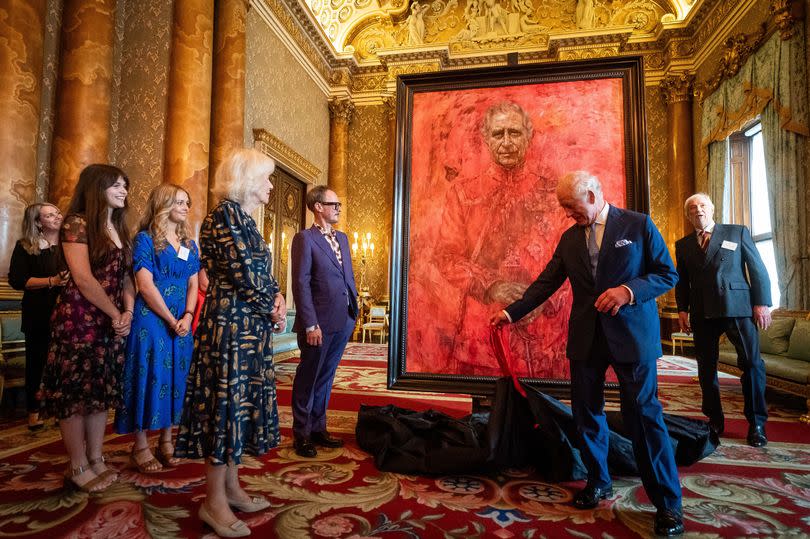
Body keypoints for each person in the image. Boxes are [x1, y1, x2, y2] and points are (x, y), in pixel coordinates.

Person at [490, 171, 684, 537]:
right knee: (586, 414)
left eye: (572, 207)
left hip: (632, 337)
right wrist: (510, 312)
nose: (568, 214)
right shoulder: (568, 240)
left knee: (644, 417)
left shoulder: (638, 224)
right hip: (586, 339)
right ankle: (598, 481)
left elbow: (666, 274)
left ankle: (668, 504)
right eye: (564, 207)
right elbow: (547, 282)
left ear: (593, 195)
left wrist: (628, 291)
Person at [175, 148, 286, 538]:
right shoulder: (223, 216)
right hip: (230, 328)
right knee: (224, 408)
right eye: (267, 178)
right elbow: (244, 274)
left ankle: (232, 487)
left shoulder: (246, 219)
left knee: (239, 408)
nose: (271, 185)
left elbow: (262, 275)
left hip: (248, 326)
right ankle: (213, 502)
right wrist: (271, 305)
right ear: (247, 180)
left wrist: (278, 298)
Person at [436, 101, 568, 378]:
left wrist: (544, 299)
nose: (506, 142)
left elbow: (573, 258)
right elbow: (446, 256)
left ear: (528, 136)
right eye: (498, 134)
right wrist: (491, 287)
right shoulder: (463, 193)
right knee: (485, 406)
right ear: (486, 138)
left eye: (514, 133)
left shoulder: (553, 191)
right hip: (481, 329)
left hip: (543, 332)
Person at [39, 164, 135, 493]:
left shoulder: (121, 229)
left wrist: (128, 311)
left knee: (98, 394)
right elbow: (82, 278)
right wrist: (114, 313)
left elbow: (126, 278)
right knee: (75, 395)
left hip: (111, 319)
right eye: (116, 185)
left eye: (125, 185)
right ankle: (77, 464)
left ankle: (96, 459)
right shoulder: (77, 223)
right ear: (97, 188)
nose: (124, 190)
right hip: (79, 318)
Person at [674, 193, 771, 447]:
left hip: (737, 307)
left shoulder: (737, 232)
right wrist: (681, 309)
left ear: (712, 209)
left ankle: (757, 423)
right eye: (692, 208)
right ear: (688, 215)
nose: (698, 210)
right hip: (702, 312)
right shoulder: (683, 245)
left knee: (751, 364)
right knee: (706, 369)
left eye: (703, 205)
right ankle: (714, 419)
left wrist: (761, 303)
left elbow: (757, 268)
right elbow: (682, 281)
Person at [114, 184, 200, 472]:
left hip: (182, 321)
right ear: (163, 204)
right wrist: (169, 318)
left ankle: (166, 441)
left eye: (187, 202)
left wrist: (187, 315)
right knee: (147, 374)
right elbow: (145, 285)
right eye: (179, 201)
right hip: (151, 318)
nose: (186, 207)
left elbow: (193, 283)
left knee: (176, 378)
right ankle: (139, 447)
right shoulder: (145, 239)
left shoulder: (189, 244)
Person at [290, 186, 358, 458]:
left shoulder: (342, 238)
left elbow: (347, 278)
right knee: (309, 377)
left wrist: (354, 312)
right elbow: (301, 283)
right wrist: (309, 324)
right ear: (318, 206)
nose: (338, 208)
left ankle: (318, 428)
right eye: (334, 204)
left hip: (343, 320)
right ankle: (302, 433)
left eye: (339, 204)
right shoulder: (304, 239)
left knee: (326, 378)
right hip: (317, 323)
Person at [8, 203, 68, 430]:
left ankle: (57, 409)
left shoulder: (68, 245)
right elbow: (17, 280)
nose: (57, 217)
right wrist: (52, 281)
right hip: (38, 313)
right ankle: (33, 410)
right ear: (37, 222)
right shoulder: (25, 246)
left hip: (66, 314)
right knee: (38, 362)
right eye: (50, 215)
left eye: (57, 213)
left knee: (62, 363)